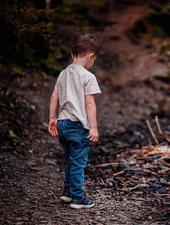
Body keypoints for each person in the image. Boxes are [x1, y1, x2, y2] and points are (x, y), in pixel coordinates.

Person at [48, 33, 101, 209]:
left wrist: (52, 118)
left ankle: (68, 192)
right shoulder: (87, 76)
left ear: (72, 54)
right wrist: (93, 127)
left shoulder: (63, 74)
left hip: (62, 124)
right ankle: (78, 198)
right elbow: (89, 103)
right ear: (91, 56)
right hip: (77, 125)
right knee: (78, 162)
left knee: (71, 159)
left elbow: (54, 97)